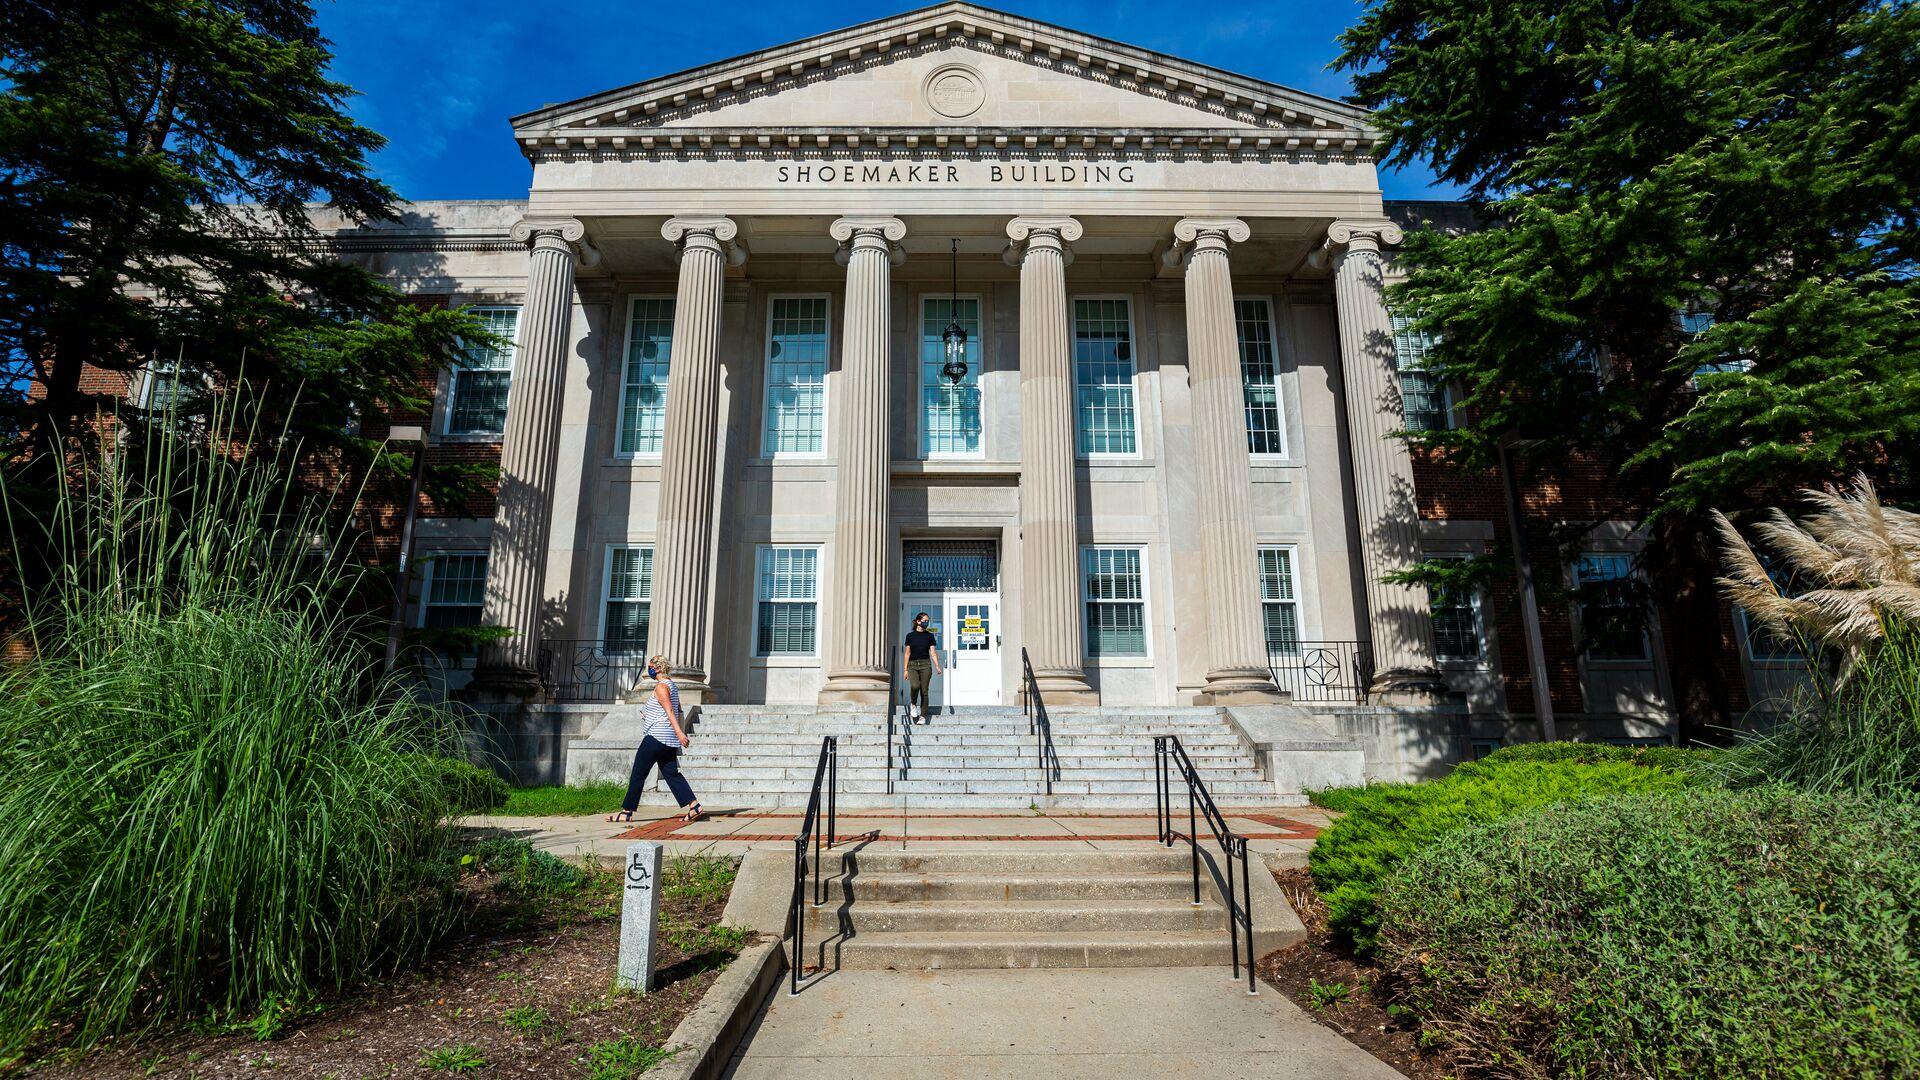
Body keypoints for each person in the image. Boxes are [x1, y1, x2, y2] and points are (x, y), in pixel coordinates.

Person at [607, 655, 703, 825]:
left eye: (650, 666)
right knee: (672, 774)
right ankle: (694, 805)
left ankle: (626, 812)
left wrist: (680, 733)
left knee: (638, 774)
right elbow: (679, 711)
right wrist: (676, 734)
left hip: (656, 737)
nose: (649, 669)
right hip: (668, 740)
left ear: (658, 668)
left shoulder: (661, 687)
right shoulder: (672, 686)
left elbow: (670, 712)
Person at [902, 611, 942, 723]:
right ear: (918, 621)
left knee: (924, 691)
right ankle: (913, 704)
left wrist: (937, 666)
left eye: (928, 621)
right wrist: (905, 669)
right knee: (915, 686)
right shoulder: (910, 636)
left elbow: (933, 653)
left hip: (925, 665)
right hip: (912, 665)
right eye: (925, 620)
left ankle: (923, 716)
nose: (927, 622)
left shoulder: (929, 636)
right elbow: (907, 653)